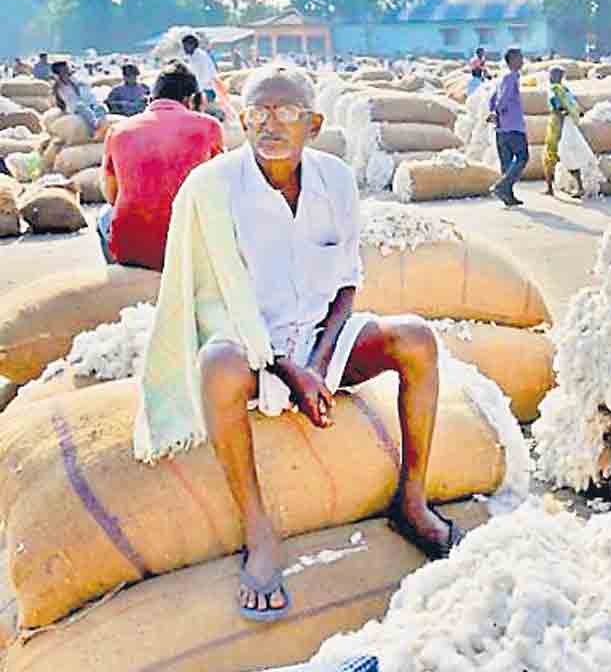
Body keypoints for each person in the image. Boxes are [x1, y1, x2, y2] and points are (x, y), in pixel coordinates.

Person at [135, 65, 457, 623]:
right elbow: (218, 305)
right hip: (247, 343)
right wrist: (289, 371)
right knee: (217, 363)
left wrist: (320, 360)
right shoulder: (211, 190)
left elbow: (347, 282)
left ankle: (412, 499)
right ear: (241, 119)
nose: (269, 124)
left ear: (314, 122)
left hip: (316, 339)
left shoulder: (335, 179)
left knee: (417, 339)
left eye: (285, 112)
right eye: (257, 112)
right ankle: (259, 533)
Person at [98, 62, 222, 270]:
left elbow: (111, 196)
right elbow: (220, 188)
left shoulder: (117, 130)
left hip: (133, 250)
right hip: (192, 248)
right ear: (192, 99)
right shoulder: (209, 125)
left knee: (104, 215)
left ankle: (122, 274)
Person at [486, 47, 528, 207]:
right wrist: (498, 112)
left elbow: (492, 99)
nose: (523, 60)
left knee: (506, 162)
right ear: (513, 60)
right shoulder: (512, 78)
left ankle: (508, 195)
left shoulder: (501, 79)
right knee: (523, 157)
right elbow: (503, 99)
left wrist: (494, 112)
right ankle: (502, 186)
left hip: (501, 128)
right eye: (520, 58)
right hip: (513, 126)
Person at [544, 66, 583, 195]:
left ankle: (549, 188)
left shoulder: (554, 89)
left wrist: (559, 114)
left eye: (551, 75)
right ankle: (580, 187)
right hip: (568, 124)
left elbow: (557, 107)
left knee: (551, 155)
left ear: (556, 76)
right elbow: (574, 108)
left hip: (557, 124)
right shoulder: (566, 90)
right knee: (570, 154)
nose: (549, 78)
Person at [51, 61, 109, 135]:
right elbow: (68, 100)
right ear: (58, 73)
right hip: (74, 107)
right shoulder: (59, 87)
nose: (67, 71)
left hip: (85, 102)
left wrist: (92, 102)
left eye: (67, 68)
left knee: (100, 107)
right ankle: (94, 130)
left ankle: (104, 126)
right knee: (86, 111)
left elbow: (86, 91)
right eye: (64, 70)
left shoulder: (74, 79)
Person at [182, 34, 221, 119]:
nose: (184, 49)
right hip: (202, 89)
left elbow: (205, 77)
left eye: (185, 46)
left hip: (207, 90)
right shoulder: (193, 56)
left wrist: (195, 91)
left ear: (192, 45)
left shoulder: (200, 57)